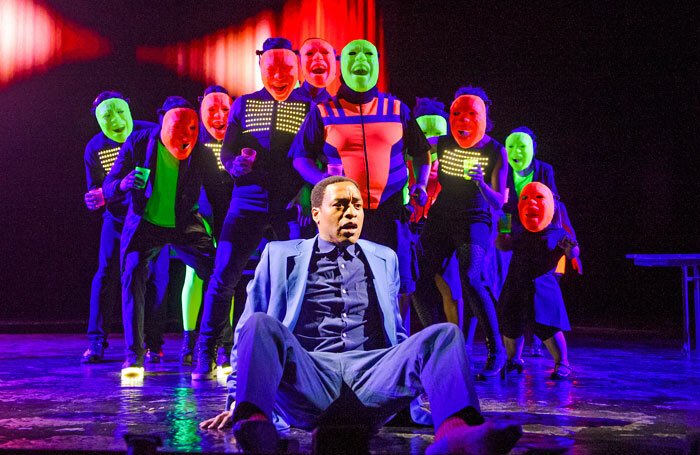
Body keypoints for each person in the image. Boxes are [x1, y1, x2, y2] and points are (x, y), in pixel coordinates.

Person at [199, 176, 522, 455]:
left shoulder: (384, 257)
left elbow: (395, 332)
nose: (351, 211)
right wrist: (237, 402)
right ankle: (255, 424)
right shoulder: (279, 254)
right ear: (316, 214)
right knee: (259, 323)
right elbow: (247, 334)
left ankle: (456, 432)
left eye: (357, 205)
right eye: (340, 205)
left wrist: (412, 383)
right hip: (309, 378)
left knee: (444, 335)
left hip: (373, 379)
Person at [193, 37, 333, 380]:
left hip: (293, 205)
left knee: (299, 282)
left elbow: (317, 156)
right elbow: (228, 151)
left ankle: (296, 355)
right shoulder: (243, 104)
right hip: (248, 201)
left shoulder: (312, 106)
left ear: (298, 68)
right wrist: (234, 165)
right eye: (272, 68)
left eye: (287, 68)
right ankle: (206, 352)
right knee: (223, 277)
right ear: (260, 68)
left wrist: (306, 199)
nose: (280, 75)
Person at [291, 38, 432, 297]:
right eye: (353, 54)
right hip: (342, 214)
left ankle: (395, 339)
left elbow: (422, 152)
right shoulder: (323, 111)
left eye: (368, 54)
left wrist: (420, 185)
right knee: (344, 286)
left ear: (377, 63)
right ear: (342, 65)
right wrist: (322, 181)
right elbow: (300, 157)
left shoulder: (397, 109)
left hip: (390, 214)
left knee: (395, 287)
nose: (361, 60)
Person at [103, 96, 227, 374]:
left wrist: (224, 238)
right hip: (146, 225)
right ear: (162, 122)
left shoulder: (202, 153)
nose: (185, 137)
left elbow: (219, 197)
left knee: (221, 275)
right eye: (178, 128)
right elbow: (109, 184)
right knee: (133, 276)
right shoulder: (138, 142)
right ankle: (134, 354)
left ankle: (219, 347)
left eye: (192, 129)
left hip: (185, 226)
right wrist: (123, 183)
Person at [412, 87, 509, 379]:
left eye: (471, 115)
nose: (463, 121)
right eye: (456, 115)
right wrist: (418, 183)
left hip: (475, 217)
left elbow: (500, 201)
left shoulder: (495, 150)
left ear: (483, 118)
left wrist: (481, 183)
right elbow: (415, 150)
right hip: (441, 214)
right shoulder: (440, 144)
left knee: (470, 276)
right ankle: (435, 346)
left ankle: (496, 351)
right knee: (418, 277)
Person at [82, 91, 169, 363]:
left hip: (152, 217)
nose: (116, 120)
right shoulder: (94, 148)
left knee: (157, 278)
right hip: (118, 218)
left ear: (129, 110)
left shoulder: (152, 133)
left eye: (120, 112)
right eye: (106, 116)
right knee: (106, 274)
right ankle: (96, 342)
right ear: (97, 120)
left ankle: (153, 343)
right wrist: (96, 197)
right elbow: (96, 192)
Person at [496, 182, 580, 379]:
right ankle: (513, 360)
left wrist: (570, 249)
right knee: (511, 322)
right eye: (526, 199)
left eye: (539, 199)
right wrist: (503, 231)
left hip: (543, 287)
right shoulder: (518, 231)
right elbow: (503, 246)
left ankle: (562, 362)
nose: (532, 204)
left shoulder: (558, 233)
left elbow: (572, 252)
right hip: (516, 282)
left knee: (547, 324)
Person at [179, 85, 235, 369]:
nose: (219, 115)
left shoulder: (238, 141)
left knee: (226, 274)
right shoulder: (192, 144)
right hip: (198, 217)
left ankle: (224, 343)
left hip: (229, 216)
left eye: (225, 109)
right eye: (212, 109)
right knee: (195, 275)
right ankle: (190, 339)